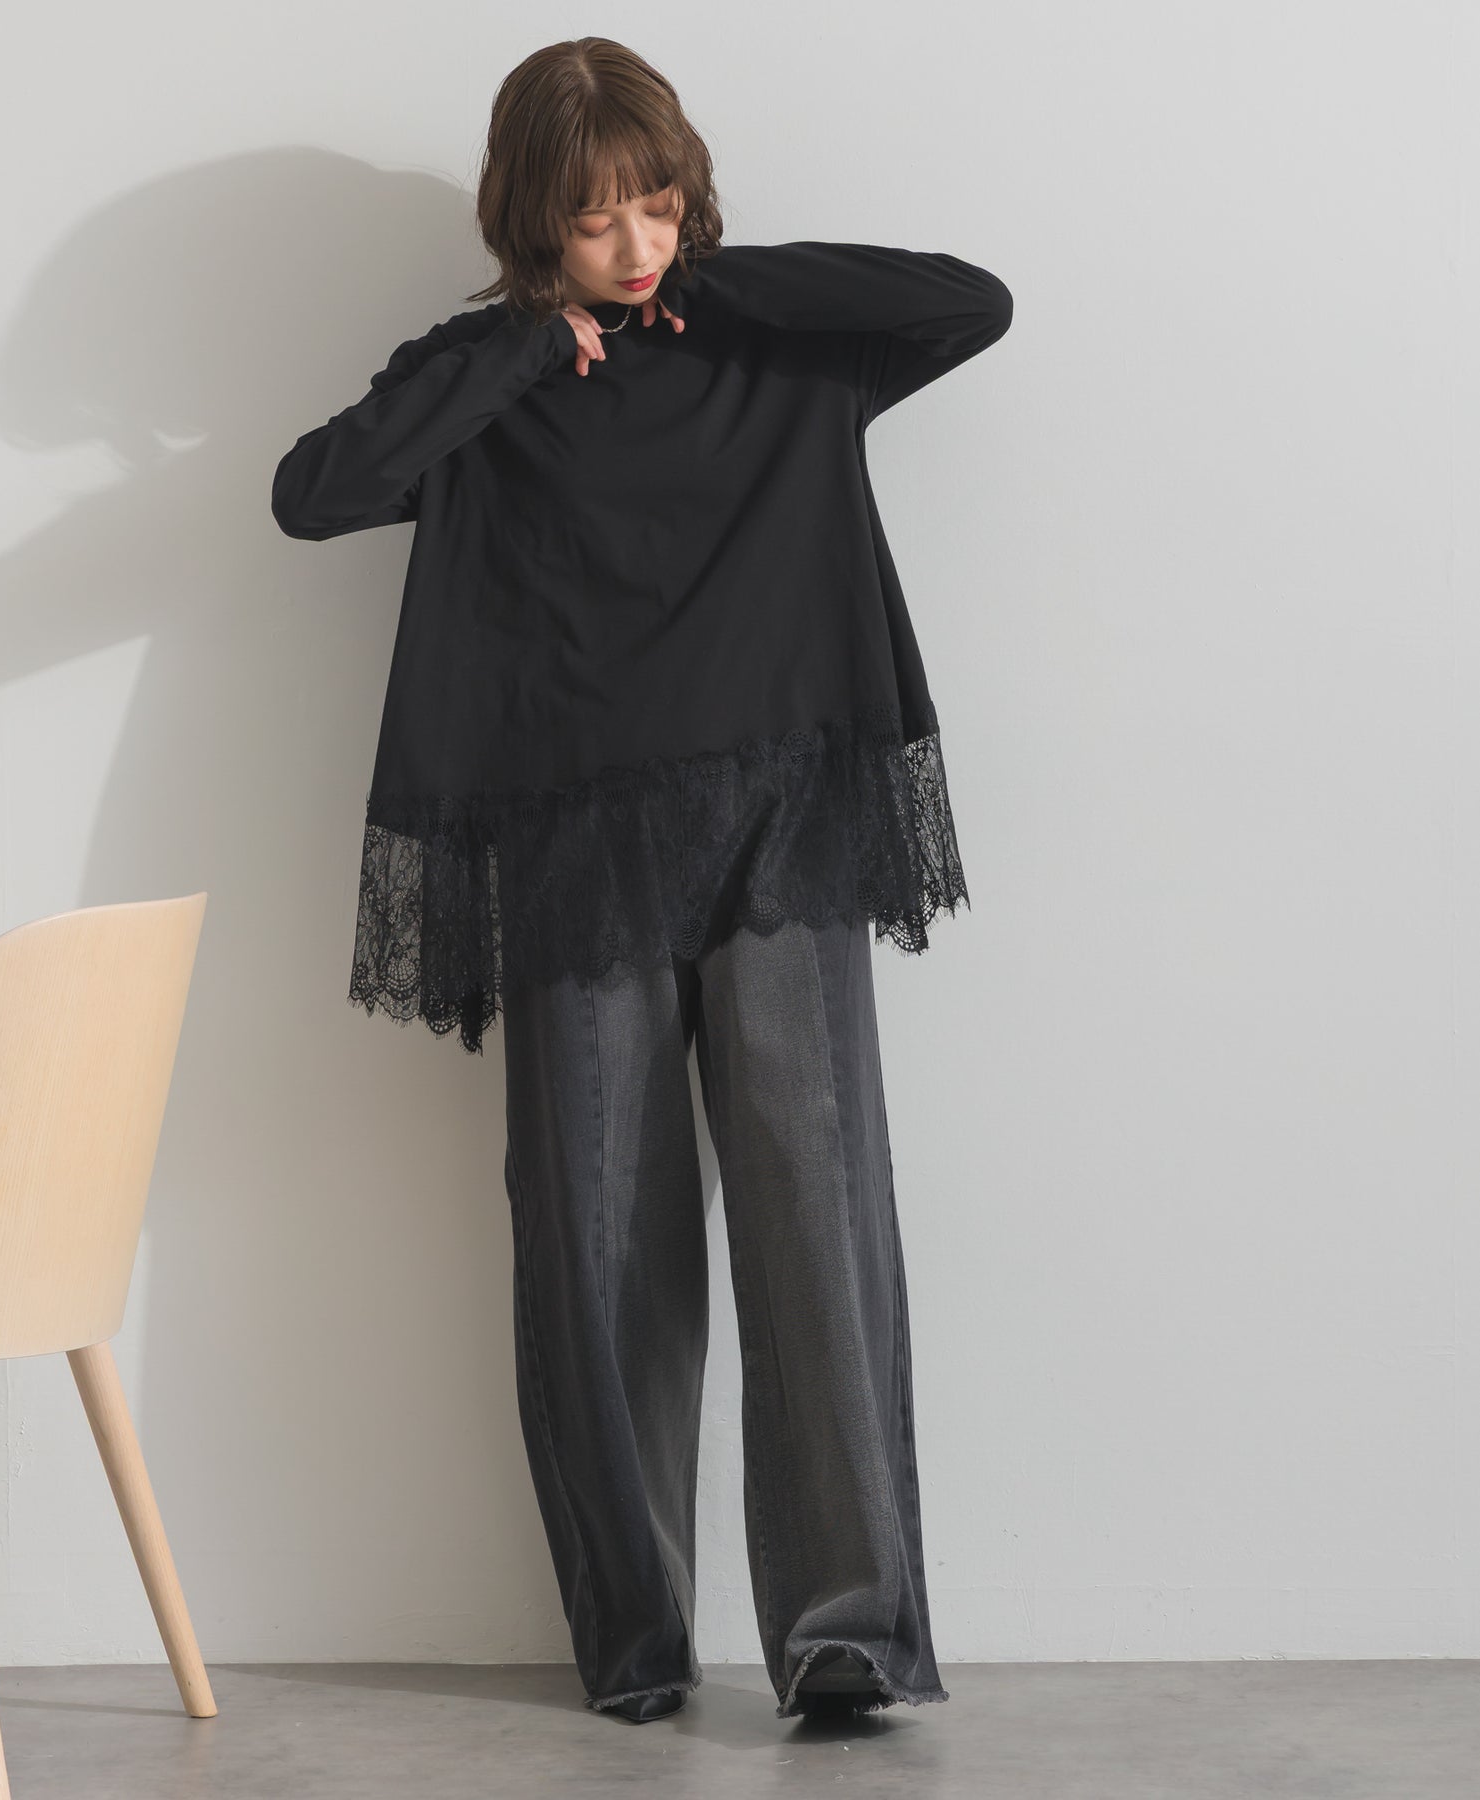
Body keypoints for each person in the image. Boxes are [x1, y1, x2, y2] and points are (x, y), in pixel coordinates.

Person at [271, 35, 1012, 1726]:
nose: (634, 244)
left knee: (814, 1211)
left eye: (657, 205)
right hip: (574, 842)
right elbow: (317, 495)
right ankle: (633, 1636)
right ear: (531, 221)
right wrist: (529, 342)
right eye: (596, 217)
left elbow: (968, 302)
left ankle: (845, 1634)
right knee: (596, 1233)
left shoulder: (773, 342)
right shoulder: (485, 378)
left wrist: (717, 282)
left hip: (778, 821)